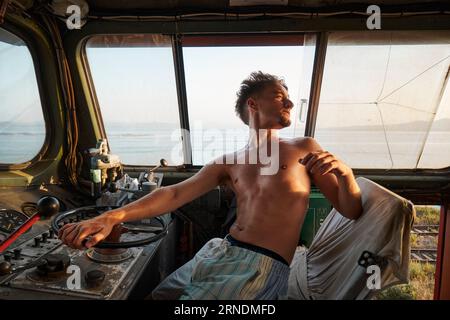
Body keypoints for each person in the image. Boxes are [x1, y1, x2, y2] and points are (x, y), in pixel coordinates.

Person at [59, 71, 363, 299]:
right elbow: (175, 193)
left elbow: (350, 210)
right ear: (253, 104)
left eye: (288, 97)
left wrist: (346, 175)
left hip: (261, 265)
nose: (289, 101)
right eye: (278, 95)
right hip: (219, 250)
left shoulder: (305, 147)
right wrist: (110, 216)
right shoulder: (229, 160)